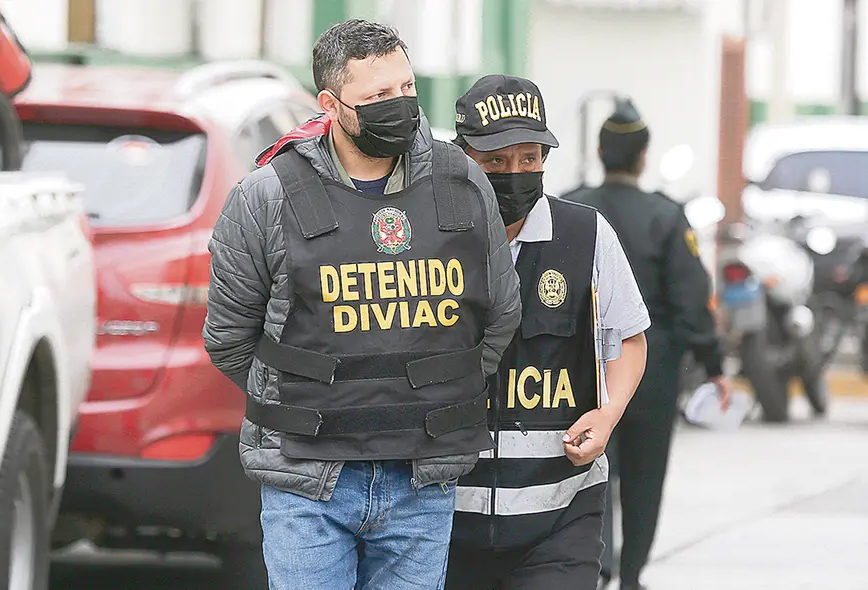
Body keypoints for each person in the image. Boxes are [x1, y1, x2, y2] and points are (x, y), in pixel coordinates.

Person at [202, 20, 522, 590]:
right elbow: (229, 338)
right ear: (331, 105)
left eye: (406, 88)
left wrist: (433, 394)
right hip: (307, 478)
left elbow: (499, 314)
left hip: (422, 476)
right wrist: (306, 402)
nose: (400, 104)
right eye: (378, 95)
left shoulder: (462, 184)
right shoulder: (268, 195)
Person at [444, 74, 650, 589]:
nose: (515, 173)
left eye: (529, 158)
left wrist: (607, 415)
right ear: (462, 157)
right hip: (442, 517)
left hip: (561, 513)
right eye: (495, 162)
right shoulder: (428, 237)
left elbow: (628, 337)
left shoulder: (586, 234)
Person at [563, 98, 731, 590]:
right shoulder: (667, 215)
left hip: (584, 368)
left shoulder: (571, 208)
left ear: (600, 152)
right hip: (651, 371)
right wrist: (714, 364)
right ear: (643, 156)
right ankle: (632, 575)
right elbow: (691, 300)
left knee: (587, 469)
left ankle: (597, 569)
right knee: (644, 477)